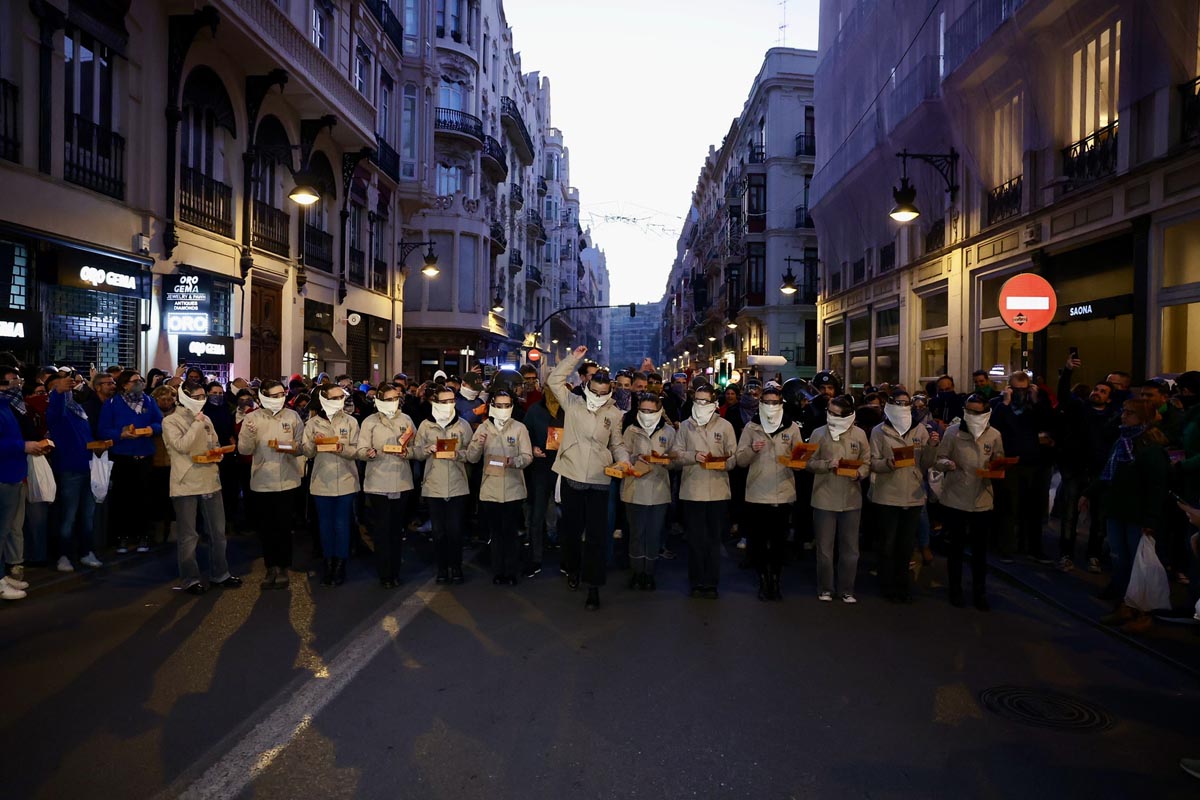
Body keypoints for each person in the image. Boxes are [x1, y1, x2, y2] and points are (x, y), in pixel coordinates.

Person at [548, 346, 630, 610]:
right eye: (595, 391)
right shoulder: (572, 402)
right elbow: (553, 380)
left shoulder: (614, 413)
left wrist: (624, 460)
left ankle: (594, 586)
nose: (598, 396)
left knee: (597, 535)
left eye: (603, 393)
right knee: (571, 531)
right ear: (587, 386)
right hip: (571, 474)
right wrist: (574, 358)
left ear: (610, 392)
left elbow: (616, 443)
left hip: (599, 479)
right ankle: (572, 569)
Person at [1085, 398, 1169, 634]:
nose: (1123, 416)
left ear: (1143, 418)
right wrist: (1088, 493)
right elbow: (1108, 473)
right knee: (1120, 561)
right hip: (1118, 510)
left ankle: (1143, 613)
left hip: (1137, 516)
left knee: (1139, 566)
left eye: (1130, 413)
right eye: (1124, 411)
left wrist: (1151, 519)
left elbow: (1156, 487)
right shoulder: (1123, 441)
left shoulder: (1150, 448)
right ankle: (1126, 605)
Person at [162, 385, 242, 594]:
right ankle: (190, 578)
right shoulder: (171, 421)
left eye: (202, 396)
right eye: (197, 397)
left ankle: (220, 573)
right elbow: (182, 446)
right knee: (189, 536)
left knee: (218, 532)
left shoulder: (206, 419)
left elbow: (213, 443)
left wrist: (218, 452)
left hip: (210, 479)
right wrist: (196, 424)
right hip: (185, 482)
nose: (202, 400)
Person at [936, 393, 1006, 611]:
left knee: (979, 551)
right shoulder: (953, 432)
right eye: (969, 411)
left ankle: (979, 592)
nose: (973, 415)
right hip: (956, 498)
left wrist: (996, 467)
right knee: (955, 548)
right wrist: (947, 464)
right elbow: (939, 458)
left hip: (981, 498)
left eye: (977, 412)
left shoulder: (994, 435)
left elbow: (999, 459)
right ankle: (955, 590)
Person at [735, 383, 803, 600]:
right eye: (767, 402)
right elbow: (740, 460)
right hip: (757, 492)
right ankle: (763, 578)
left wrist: (797, 460)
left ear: (781, 403)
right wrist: (752, 450)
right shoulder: (752, 427)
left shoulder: (791, 427)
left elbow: (800, 458)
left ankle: (775, 578)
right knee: (758, 540)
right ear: (761, 403)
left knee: (778, 541)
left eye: (775, 402)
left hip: (783, 491)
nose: (771, 406)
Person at [869, 390, 939, 603]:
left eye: (906, 403)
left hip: (913, 494)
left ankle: (903, 585)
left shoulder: (919, 429)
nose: (903, 406)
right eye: (898, 403)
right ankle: (887, 584)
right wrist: (887, 463)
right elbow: (872, 461)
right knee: (888, 543)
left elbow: (926, 463)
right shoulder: (879, 431)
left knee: (906, 544)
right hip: (887, 494)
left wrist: (932, 447)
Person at [1053, 355, 1118, 573]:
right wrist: (1067, 371)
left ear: (1109, 399)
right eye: (1096, 389)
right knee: (1070, 514)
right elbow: (1064, 395)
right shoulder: (1080, 409)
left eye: (1103, 391)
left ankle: (1093, 555)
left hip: (1100, 472)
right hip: (1076, 469)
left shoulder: (1114, 418)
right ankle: (1066, 554)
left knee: (1099, 518)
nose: (1097, 393)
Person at [238, 379, 305, 590]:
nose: (279, 399)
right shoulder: (252, 418)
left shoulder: (292, 416)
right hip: (262, 480)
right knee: (266, 527)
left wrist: (289, 447)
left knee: (284, 526)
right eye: (274, 396)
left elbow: (301, 447)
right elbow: (244, 450)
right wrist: (249, 433)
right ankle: (270, 566)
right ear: (263, 396)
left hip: (288, 479)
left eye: (281, 395)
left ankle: (284, 566)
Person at [671, 382, 736, 599]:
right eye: (697, 400)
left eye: (705, 401)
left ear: (713, 403)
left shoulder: (725, 426)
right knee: (696, 539)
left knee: (714, 540)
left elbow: (733, 457)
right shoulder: (686, 426)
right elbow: (676, 455)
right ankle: (696, 581)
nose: (700, 404)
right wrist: (693, 456)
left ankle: (711, 582)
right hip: (692, 491)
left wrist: (721, 462)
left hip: (718, 490)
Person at [807, 395, 870, 603]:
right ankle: (825, 588)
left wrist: (859, 473)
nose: (831, 416)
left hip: (851, 498)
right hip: (824, 497)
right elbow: (808, 463)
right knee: (824, 548)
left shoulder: (859, 434)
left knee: (850, 549)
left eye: (836, 413)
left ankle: (847, 589)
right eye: (829, 411)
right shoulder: (818, 433)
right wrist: (827, 465)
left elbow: (867, 462)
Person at [466, 390, 532, 585]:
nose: (503, 409)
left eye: (507, 405)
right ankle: (498, 570)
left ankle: (511, 571)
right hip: (490, 489)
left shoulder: (519, 428)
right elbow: (471, 458)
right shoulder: (483, 428)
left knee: (510, 532)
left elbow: (527, 456)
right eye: (499, 405)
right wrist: (478, 444)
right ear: (492, 406)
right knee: (496, 532)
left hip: (513, 487)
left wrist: (514, 461)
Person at [357, 382, 418, 589]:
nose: (393, 402)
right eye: (389, 399)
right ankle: (384, 572)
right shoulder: (370, 422)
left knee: (396, 528)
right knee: (382, 528)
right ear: (379, 401)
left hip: (401, 480)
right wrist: (368, 453)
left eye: (396, 398)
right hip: (378, 482)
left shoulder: (406, 419)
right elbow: (361, 449)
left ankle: (395, 570)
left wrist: (407, 452)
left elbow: (416, 448)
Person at [990, 370, 1054, 563]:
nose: (1020, 393)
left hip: (1033, 462)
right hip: (1010, 462)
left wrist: (1036, 400)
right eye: (1016, 389)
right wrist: (1006, 403)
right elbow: (995, 427)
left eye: (1023, 389)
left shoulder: (1034, 406)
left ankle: (1033, 548)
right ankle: (1007, 547)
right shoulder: (999, 405)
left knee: (1034, 508)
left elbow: (1046, 422)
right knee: (1009, 507)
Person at [301, 383, 361, 587]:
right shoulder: (312, 423)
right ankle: (328, 562)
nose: (339, 401)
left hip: (346, 479)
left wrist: (339, 448)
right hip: (321, 480)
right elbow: (307, 452)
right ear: (324, 400)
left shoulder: (351, 421)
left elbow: (357, 451)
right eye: (334, 398)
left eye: (341, 397)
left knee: (342, 524)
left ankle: (341, 564)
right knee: (325, 525)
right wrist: (314, 442)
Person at [414, 385, 474, 584]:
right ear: (435, 402)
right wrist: (427, 449)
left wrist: (458, 454)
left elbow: (472, 454)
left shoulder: (463, 425)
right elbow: (416, 452)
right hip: (433, 484)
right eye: (444, 401)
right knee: (438, 532)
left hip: (457, 484)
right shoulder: (425, 425)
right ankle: (441, 568)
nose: (449, 404)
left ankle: (456, 567)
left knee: (455, 530)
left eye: (451, 401)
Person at [100, 369, 164, 554]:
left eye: (140, 380)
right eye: (134, 381)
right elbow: (103, 430)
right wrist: (120, 434)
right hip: (123, 457)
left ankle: (143, 535)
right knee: (123, 498)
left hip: (144, 456)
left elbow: (160, 423)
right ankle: (122, 536)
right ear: (124, 385)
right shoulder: (112, 403)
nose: (139, 384)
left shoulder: (149, 401)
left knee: (145, 497)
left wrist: (152, 429)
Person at [46, 372, 103, 571]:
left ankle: (86, 552)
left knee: (87, 515)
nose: (68, 388)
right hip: (69, 469)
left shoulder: (78, 409)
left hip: (89, 466)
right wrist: (58, 393)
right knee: (68, 516)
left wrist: (96, 446)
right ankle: (63, 555)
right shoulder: (56, 410)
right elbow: (55, 412)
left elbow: (85, 435)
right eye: (62, 385)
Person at [621, 391, 675, 591]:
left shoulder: (669, 432)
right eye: (643, 410)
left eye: (650, 411)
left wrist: (665, 460)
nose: (646, 414)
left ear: (659, 411)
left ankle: (649, 572)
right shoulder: (631, 430)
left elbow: (676, 460)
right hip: (634, 488)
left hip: (659, 489)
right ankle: (636, 572)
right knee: (636, 533)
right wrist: (634, 458)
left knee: (653, 534)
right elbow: (622, 453)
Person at [522, 388, 563, 577]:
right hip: (540, 468)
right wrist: (532, 448)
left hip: (564, 469)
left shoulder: (569, 410)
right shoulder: (534, 410)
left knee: (569, 516)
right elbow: (524, 435)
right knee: (536, 516)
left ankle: (568, 561)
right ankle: (534, 559)